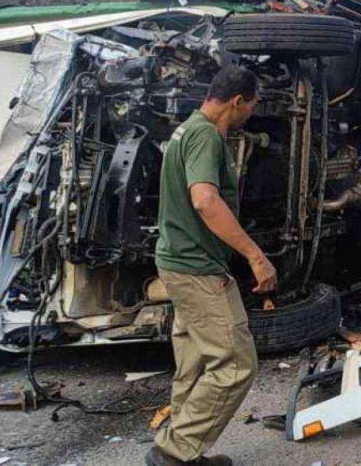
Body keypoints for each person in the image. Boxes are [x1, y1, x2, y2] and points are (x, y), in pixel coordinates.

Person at [149, 65, 278, 466]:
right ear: (237, 102)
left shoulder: (187, 129)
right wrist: (255, 255)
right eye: (252, 106)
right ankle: (173, 453)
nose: (251, 115)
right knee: (236, 364)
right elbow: (205, 200)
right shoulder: (205, 136)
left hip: (177, 262)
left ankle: (184, 451)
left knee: (196, 361)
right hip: (196, 267)